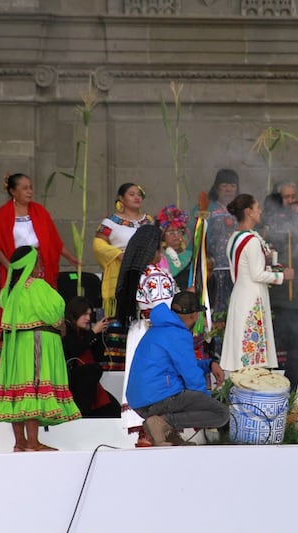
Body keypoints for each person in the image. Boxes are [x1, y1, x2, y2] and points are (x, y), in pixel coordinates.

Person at [0, 246, 81, 451]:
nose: (40, 266)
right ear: (30, 265)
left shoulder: (9, 291)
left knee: (19, 391)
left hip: (15, 346)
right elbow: (54, 311)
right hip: (36, 342)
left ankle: (20, 442)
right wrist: (61, 324)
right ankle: (33, 442)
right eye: (37, 261)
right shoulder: (37, 286)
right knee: (34, 389)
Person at [0, 173, 80, 364]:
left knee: (41, 305)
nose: (29, 191)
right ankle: (5, 355)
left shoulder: (39, 211)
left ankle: (42, 350)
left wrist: (70, 256)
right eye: (24, 187)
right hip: (13, 267)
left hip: (38, 267)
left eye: (30, 187)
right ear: (13, 191)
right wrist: (13, 268)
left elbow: (53, 240)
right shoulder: (3, 214)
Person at [127, 291, 228, 446]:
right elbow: (191, 376)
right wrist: (206, 401)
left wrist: (209, 364)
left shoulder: (160, 328)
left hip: (140, 399)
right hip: (157, 398)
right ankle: (162, 423)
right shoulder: (178, 334)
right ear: (194, 315)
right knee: (221, 413)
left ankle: (169, 435)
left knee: (179, 389)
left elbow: (182, 365)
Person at [115, 224, 176, 446]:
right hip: (155, 331)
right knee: (157, 378)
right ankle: (154, 430)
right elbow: (163, 309)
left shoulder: (134, 275)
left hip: (138, 330)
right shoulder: (157, 276)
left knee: (141, 379)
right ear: (155, 251)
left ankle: (143, 431)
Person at [221, 194, 294, 371]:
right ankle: (252, 388)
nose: (260, 211)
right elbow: (257, 274)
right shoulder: (251, 240)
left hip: (240, 293)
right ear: (248, 212)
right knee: (251, 348)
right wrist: (282, 276)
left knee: (242, 345)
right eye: (257, 208)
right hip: (251, 298)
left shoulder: (234, 237)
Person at [92, 183, 154, 371]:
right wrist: (117, 254)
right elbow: (98, 244)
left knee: (142, 316)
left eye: (139, 194)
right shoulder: (110, 222)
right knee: (120, 318)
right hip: (120, 271)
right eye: (132, 194)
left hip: (144, 272)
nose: (137, 198)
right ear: (121, 199)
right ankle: (117, 366)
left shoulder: (148, 221)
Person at [267, 197, 298, 391]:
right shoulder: (276, 238)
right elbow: (267, 266)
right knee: (270, 351)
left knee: (296, 354)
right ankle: (267, 390)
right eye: (296, 215)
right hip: (278, 303)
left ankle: (290, 394)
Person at [191, 169, 239, 321]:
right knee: (215, 313)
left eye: (232, 185)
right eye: (224, 185)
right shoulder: (207, 207)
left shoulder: (241, 208)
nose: (229, 189)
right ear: (217, 187)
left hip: (236, 269)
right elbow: (196, 233)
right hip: (213, 269)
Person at [62, 296, 121, 418]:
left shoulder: (84, 333)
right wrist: (93, 333)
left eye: (89, 315)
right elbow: (73, 351)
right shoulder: (66, 330)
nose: (88, 318)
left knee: (114, 409)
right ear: (75, 313)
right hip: (73, 383)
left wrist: (99, 335)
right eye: (84, 314)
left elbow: (98, 357)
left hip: (89, 387)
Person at [156, 204, 192, 290]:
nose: (176, 235)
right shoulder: (160, 257)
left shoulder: (190, 254)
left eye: (179, 231)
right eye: (171, 232)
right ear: (163, 235)